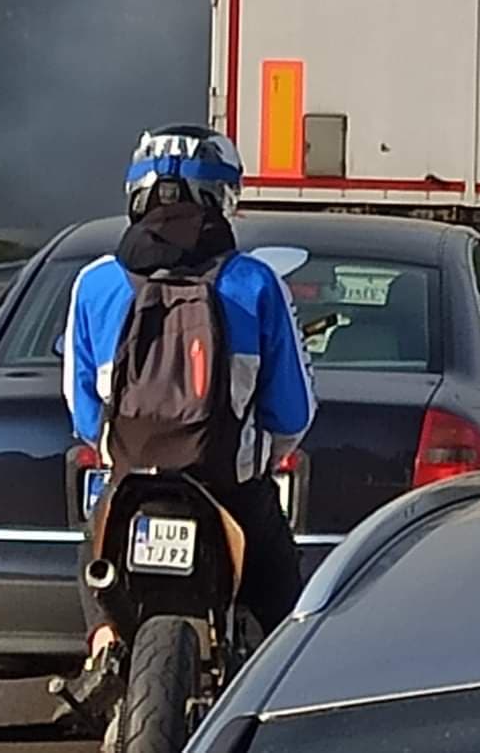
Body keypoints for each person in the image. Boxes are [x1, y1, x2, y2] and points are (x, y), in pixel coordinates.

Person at [54, 125, 316, 724]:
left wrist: (115, 449)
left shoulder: (94, 283)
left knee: (92, 552)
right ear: (222, 200)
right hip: (229, 486)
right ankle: (288, 704)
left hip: (132, 481)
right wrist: (260, 455)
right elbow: (293, 411)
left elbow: (80, 411)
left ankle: (103, 645)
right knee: (282, 597)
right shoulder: (255, 283)